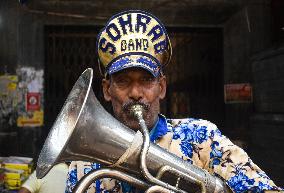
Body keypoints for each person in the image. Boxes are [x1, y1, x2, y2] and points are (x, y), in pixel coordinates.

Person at [65, 10, 282, 193]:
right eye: (122, 81)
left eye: (146, 80)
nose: (135, 93)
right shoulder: (83, 164)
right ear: (106, 90)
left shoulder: (202, 137)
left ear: (162, 87)